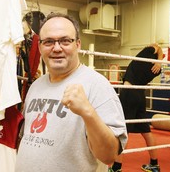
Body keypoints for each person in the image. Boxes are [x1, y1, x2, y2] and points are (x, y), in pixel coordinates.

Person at [15, 12, 127, 172]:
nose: (57, 48)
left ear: (78, 44)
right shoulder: (36, 86)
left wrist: (88, 112)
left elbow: (109, 155)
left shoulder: (97, 85)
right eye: (48, 42)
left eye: (65, 41)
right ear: (39, 47)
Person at [109, 43, 163, 172]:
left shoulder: (145, 54)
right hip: (140, 95)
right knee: (146, 131)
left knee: (123, 131)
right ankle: (154, 164)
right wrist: (160, 61)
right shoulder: (157, 69)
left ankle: (116, 168)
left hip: (129, 93)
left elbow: (156, 46)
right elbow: (159, 50)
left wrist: (155, 50)